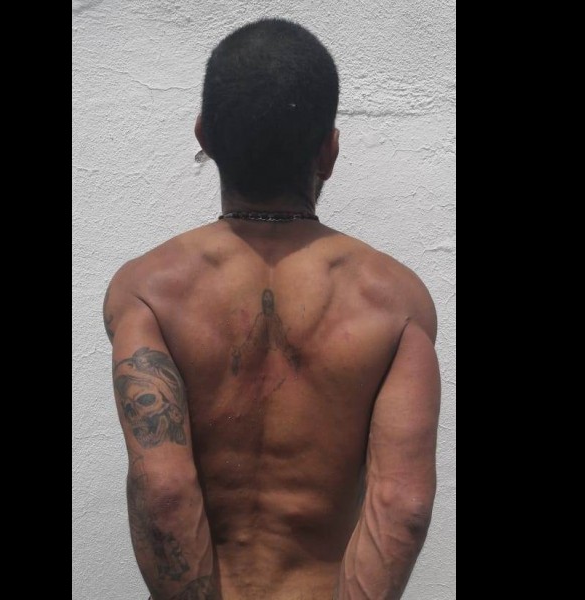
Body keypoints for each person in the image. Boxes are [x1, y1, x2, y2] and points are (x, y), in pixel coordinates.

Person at [104, 18, 440, 600]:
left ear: (205, 137)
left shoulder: (148, 289)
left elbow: (164, 492)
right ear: (329, 151)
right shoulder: (396, 300)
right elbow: (401, 505)